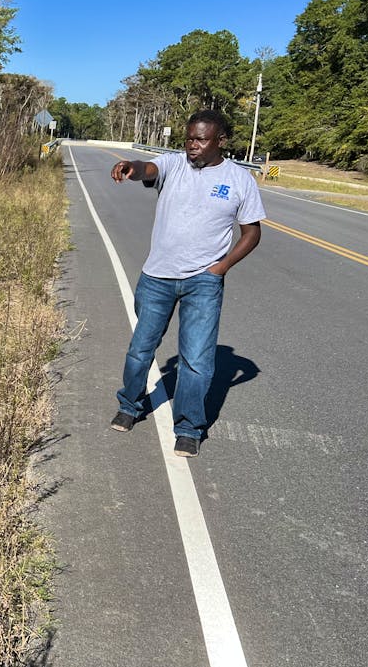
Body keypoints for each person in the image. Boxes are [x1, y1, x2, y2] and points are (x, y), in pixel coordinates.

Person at [108, 109, 266, 457]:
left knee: (196, 359)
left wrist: (220, 268)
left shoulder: (240, 180)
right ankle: (129, 406)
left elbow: (252, 232)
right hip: (157, 277)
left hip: (203, 282)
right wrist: (132, 168)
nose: (192, 145)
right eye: (189, 137)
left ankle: (189, 427)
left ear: (220, 141)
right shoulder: (174, 164)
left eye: (201, 139)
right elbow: (148, 169)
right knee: (141, 349)